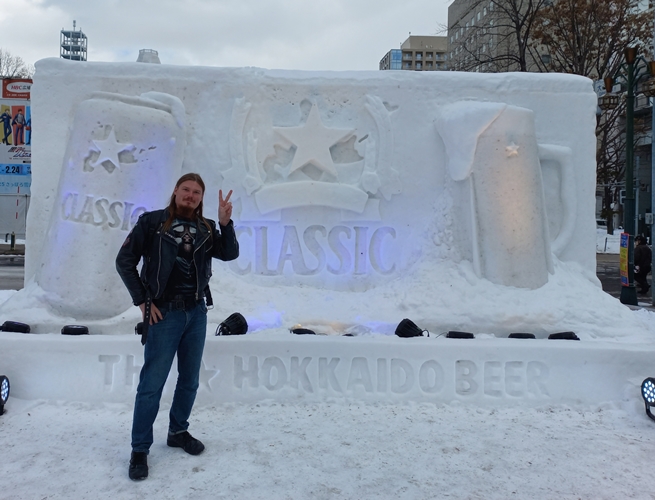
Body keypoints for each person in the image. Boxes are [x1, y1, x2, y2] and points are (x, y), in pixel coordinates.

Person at [116, 173, 239, 481]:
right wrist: (143, 302)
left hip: (196, 312)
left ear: (201, 198)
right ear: (175, 191)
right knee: (151, 385)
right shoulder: (152, 222)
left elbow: (229, 253)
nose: (190, 195)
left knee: (189, 381)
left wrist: (225, 224)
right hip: (164, 314)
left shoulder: (206, 227)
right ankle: (139, 449)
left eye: (197, 192)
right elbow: (124, 261)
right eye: (186, 189)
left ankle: (177, 431)